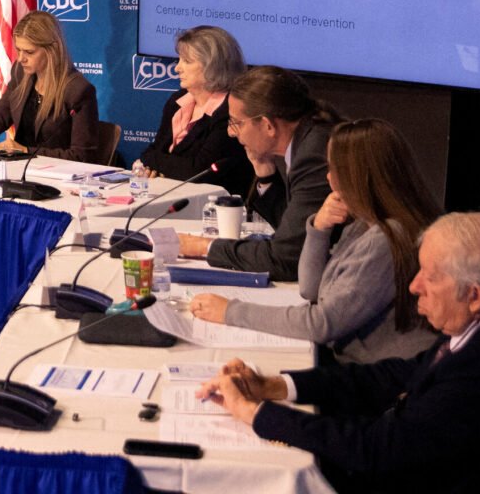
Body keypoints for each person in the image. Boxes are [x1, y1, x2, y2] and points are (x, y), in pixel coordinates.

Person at [196, 211, 480, 494]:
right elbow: (390, 376)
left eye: (430, 277)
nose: (414, 286)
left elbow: (376, 450)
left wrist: (255, 413)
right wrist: (274, 386)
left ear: (474, 296)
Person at [188, 118, 441, 363]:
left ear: (358, 176)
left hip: (369, 373)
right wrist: (318, 228)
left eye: (333, 168)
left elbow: (322, 323)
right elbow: (311, 289)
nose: (328, 178)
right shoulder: (363, 224)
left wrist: (231, 311)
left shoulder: (386, 238)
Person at [177, 65, 340, 280]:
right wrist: (265, 174)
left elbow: (286, 258)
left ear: (267, 125)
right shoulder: (309, 138)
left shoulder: (314, 155)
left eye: (236, 123)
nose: (230, 132)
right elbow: (291, 231)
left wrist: (205, 246)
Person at [0, 11, 99, 161]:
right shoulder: (20, 73)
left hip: (56, 174)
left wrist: (26, 151)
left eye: (29, 52)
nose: (21, 58)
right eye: (18, 50)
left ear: (52, 50)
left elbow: (82, 156)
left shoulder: (78, 90)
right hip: (18, 168)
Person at [141, 26, 252, 197]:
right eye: (179, 60)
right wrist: (156, 163)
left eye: (187, 61)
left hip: (214, 202)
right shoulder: (177, 101)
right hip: (170, 194)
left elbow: (199, 171)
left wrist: (157, 162)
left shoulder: (229, 109)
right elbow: (151, 152)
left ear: (213, 66)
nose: (177, 68)